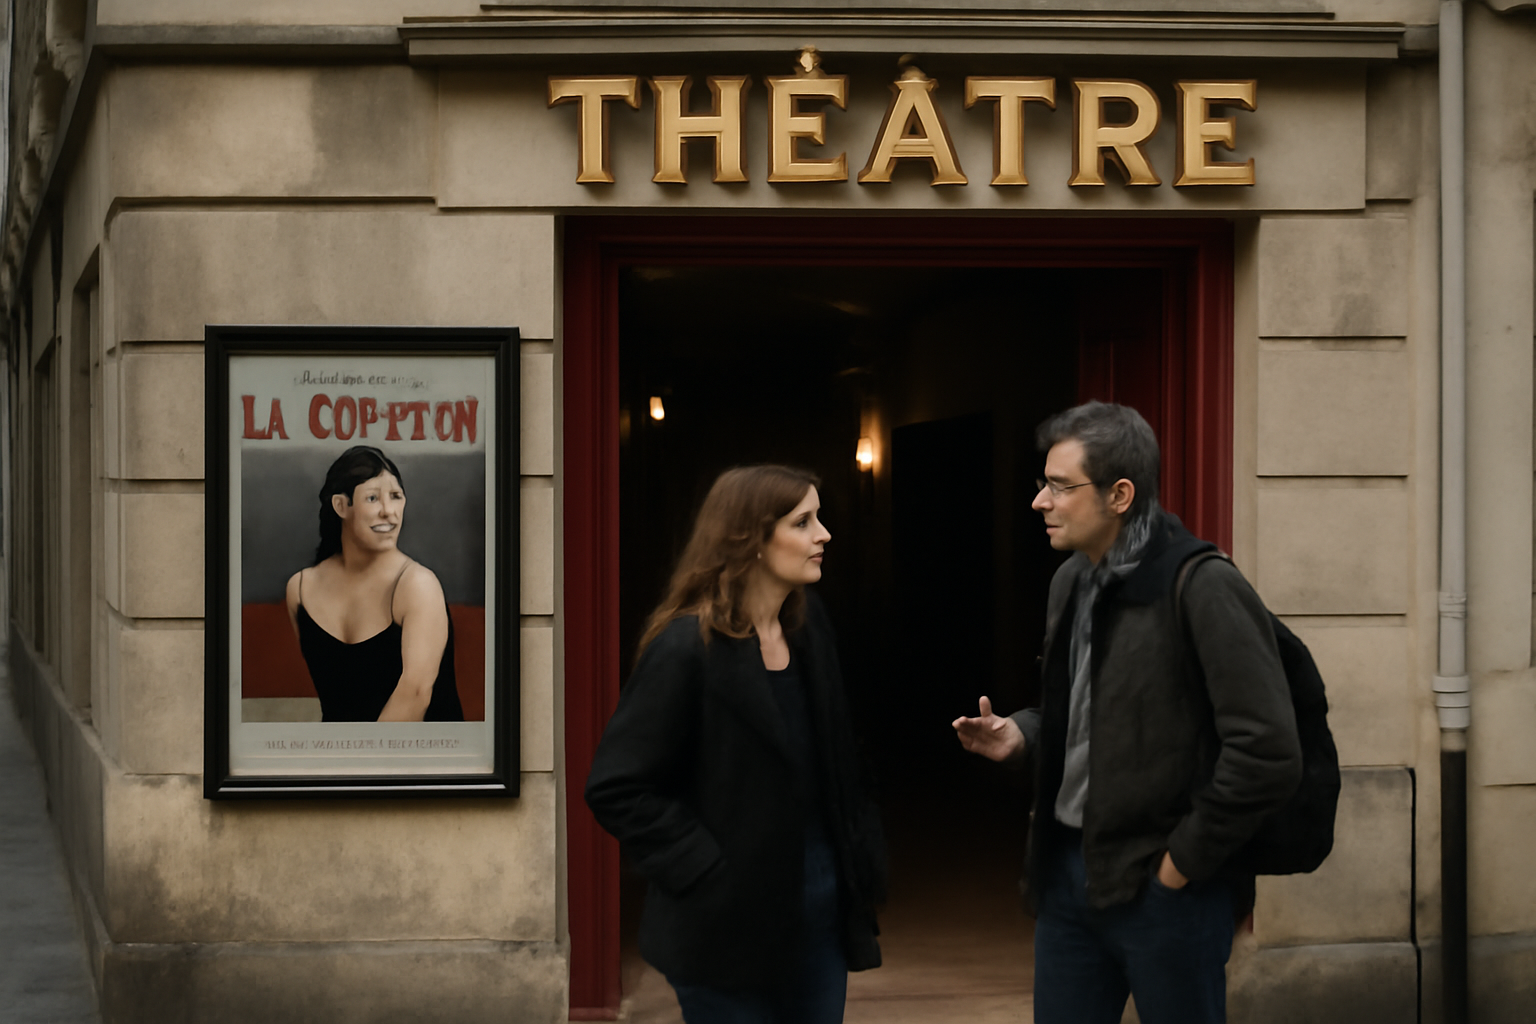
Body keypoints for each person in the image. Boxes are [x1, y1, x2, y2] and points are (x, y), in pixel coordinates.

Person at [953, 401, 1301, 1024]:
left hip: (1167, 893)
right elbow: (1080, 713)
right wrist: (1023, 736)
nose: (1040, 502)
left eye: (1060, 487)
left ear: (1120, 494)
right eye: (1043, 484)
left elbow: (1268, 749)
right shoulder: (1071, 582)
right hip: (1067, 880)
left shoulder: (1203, 585)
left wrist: (1180, 866)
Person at [585, 465, 884, 1024]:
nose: (824, 535)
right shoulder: (684, 649)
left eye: (818, 519)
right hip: (722, 924)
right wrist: (705, 868)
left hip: (818, 907)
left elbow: (840, 759)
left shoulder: (809, 628)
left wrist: (858, 853)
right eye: (804, 522)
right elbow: (617, 785)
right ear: (751, 539)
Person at [284, 446, 464, 723]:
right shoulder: (299, 589)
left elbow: (415, 694)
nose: (389, 512)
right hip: (336, 761)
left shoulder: (417, 585)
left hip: (419, 761)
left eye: (396, 497)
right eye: (372, 498)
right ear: (341, 506)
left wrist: (360, 763)